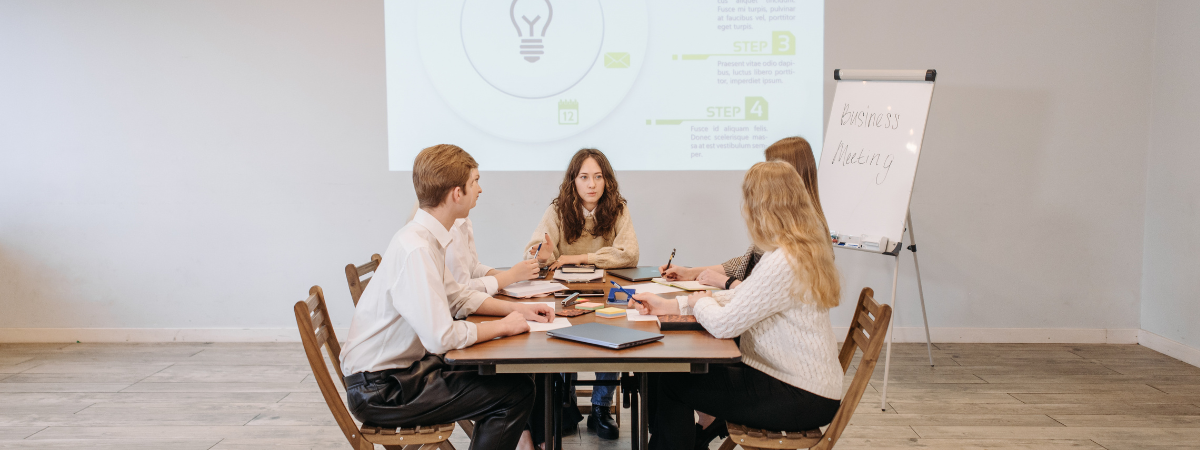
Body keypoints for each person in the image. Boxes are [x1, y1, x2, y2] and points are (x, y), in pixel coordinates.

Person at [340, 144, 555, 450]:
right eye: (475, 182)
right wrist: (504, 326)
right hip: (381, 390)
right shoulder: (418, 249)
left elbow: (459, 298)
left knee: (516, 378)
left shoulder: (425, 238)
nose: (479, 190)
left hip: (399, 374)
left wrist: (522, 311)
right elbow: (441, 337)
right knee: (516, 392)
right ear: (457, 193)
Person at [633, 161, 844, 450]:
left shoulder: (784, 260)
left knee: (672, 382)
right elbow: (745, 298)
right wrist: (669, 305)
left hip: (800, 394)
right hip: (795, 382)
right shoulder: (793, 249)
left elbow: (723, 325)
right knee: (667, 373)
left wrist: (698, 301)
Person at [521, 148, 638, 441]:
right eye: (584, 177)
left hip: (603, 294)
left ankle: (601, 408)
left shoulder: (618, 209)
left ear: (607, 181)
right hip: (564, 294)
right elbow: (533, 252)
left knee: (611, 332)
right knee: (561, 332)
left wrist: (581, 257)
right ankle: (566, 402)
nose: (592, 184)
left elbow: (629, 254)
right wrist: (543, 255)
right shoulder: (558, 210)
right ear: (573, 181)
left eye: (598, 177)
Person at [660, 136, 827, 291]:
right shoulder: (784, 222)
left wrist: (725, 282)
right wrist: (692, 272)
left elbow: (764, 295)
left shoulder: (808, 236)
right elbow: (746, 263)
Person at [446, 217, 541, 295]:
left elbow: (473, 268)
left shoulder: (463, 220)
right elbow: (462, 290)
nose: (480, 192)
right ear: (457, 194)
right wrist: (511, 276)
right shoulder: (450, 230)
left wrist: (515, 274)